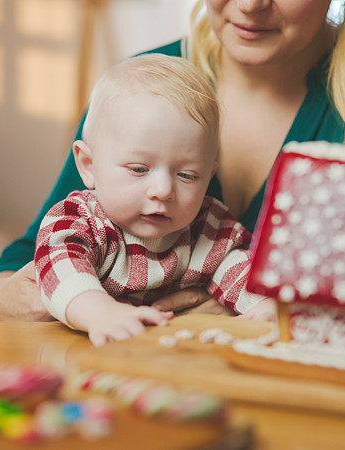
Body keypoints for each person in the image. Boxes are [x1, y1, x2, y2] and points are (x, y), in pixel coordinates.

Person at [0, 0, 345, 322]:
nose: (251, 2)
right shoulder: (142, 87)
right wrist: (45, 297)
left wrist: (282, 309)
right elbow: (10, 273)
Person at [35, 54, 276, 345]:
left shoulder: (208, 228)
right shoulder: (80, 220)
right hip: (91, 352)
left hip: (170, 360)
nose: (163, 190)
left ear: (209, 176)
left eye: (187, 175)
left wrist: (263, 307)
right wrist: (100, 312)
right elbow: (58, 265)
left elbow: (240, 270)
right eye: (139, 169)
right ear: (88, 164)